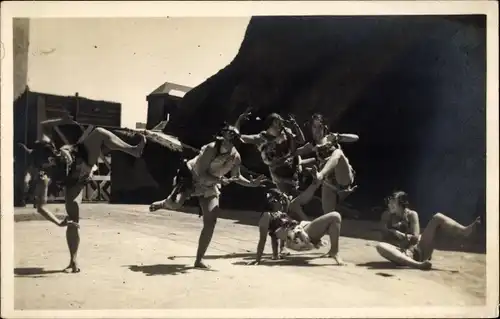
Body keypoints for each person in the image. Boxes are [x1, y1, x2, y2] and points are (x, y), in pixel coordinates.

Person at [19, 115, 146, 273]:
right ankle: (73, 261)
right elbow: (40, 207)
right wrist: (59, 222)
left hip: (80, 161)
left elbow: (43, 126)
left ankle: (133, 150)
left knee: (99, 132)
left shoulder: (43, 150)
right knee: (73, 220)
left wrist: (62, 120)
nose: (50, 160)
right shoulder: (42, 174)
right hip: (76, 175)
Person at [149, 124, 266, 269]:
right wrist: (220, 180)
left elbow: (236, 177)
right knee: (176, 204)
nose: (229, 142)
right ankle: (164, 203)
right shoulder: (210, 149)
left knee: (211, 220)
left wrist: (252, 184)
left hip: (209, 186)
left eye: (233, 139)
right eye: (227, 138)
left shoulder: (235, 157)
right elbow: (201, 173)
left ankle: (199, 260)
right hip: (191, 177)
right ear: (222, 137)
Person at [375, 191, 482, 270]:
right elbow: (384, 238)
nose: (390, 205)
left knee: (437, 217)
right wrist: (388, 231)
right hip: (400, 253)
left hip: (417, 251)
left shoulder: (412, 215)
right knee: (380, 246)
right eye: (390, 203)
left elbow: (415, 238)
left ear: (400, 205)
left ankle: (464, 231)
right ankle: (415, 265)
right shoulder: (388, 216)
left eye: (393, 203)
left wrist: (401, 235)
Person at [246, 187, 346, 266]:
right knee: (335, 216)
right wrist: (257, 260)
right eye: (280, 200)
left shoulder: (278, 213)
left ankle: (333, 250)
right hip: (299, 238)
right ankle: (334, 251)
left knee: (333, 221)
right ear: (273, 201)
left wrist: (275, 255)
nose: (282, 202)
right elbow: (263, 239)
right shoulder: (266, 216)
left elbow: (275, 235)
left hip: (300, 235)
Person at [289, 113, 359, 221]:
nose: (317, 130)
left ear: (324, 127)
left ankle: (320, 175)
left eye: (320, 127)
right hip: (329, 183)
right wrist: (293, 136)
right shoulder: (311, 146)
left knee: (338, 153)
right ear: (311, 129)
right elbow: (294, 153)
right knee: (327, 218)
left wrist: (339, 136)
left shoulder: (331, 138)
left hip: (343, 176)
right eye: (314, 127)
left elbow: (355, 138)